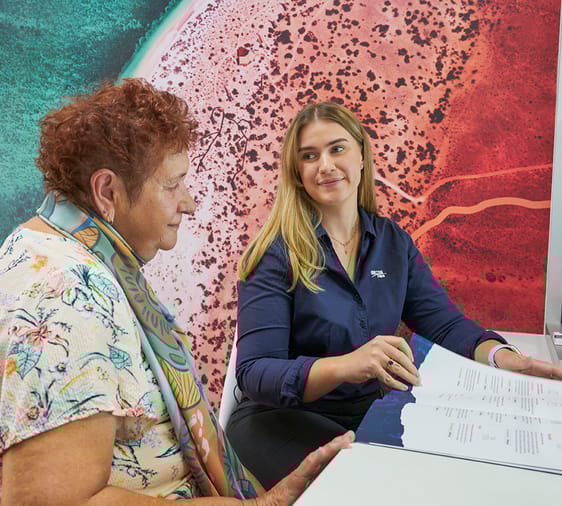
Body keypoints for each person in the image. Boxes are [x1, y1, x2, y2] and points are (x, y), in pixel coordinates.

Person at [0, 80, 354, 505]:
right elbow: (51, 502)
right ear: (108, 191)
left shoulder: (66, 248)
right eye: (172, 185)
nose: (187, 203)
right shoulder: (65, 296)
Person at [226, 101, 562, 489]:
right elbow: (255, 372)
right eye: (309, 156)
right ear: (297, 173)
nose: (326, 165)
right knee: (377, 488)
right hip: (281, 420)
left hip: (369, 414)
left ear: (361, 155)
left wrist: (503, 358)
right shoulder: (273, 254)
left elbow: (444, 324)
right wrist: (347, 365)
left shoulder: (392, 242)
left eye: (337, 148)